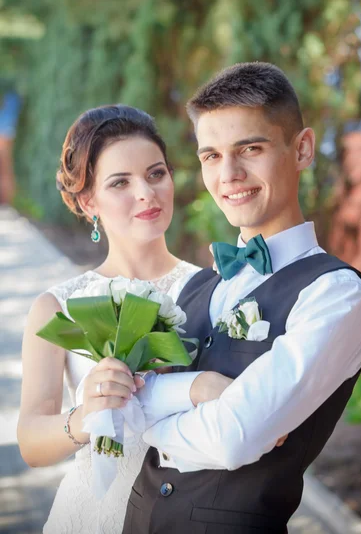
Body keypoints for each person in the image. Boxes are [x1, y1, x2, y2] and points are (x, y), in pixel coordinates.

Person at [123, 63, 361, 534]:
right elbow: (124, 400)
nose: (230, 174)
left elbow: (232, 439)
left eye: (250, 149)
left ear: (301, 148)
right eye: (211, 156)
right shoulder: (198, 286)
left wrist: (142, 423)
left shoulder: (336, 294)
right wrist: (197, 391)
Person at [17, 105, 235, 534]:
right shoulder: (57, 306)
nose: (146, 193)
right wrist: (86, 415)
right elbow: (31, 442)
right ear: (88, 201)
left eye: (156, 174)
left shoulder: (216, 290)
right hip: (89, 515)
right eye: (121, 182)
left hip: (189, 515)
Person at [0, 89, 21, 204]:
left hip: (5, 133)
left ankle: (7, 200)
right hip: (7, 133)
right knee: (6, 169)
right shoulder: (11, 100)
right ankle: (8, 200)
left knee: (5, 169)